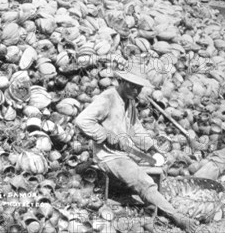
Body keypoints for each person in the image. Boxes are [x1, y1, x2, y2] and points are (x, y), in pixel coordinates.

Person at [74, 61, 197, 233]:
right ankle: (176, 216)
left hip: (125, 151)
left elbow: (135, 127)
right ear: (123, 82)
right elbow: (82, 120)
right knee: (142, 180)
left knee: (160, 163)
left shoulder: (129, 100)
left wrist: (151, 148)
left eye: (140, 88)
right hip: (109, 156)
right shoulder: (108, 97)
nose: (138, 91)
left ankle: (159, 198)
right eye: (134, 87)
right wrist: (104, 135)